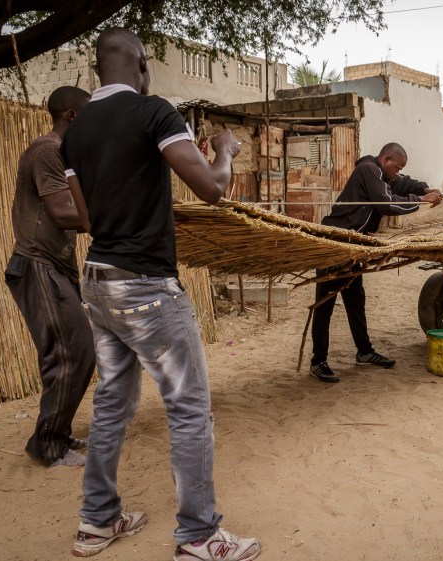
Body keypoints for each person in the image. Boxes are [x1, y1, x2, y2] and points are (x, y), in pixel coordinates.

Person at [61, 28, 260, 561]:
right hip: (147, 287)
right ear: (142, 65)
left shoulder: (74, 136)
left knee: (111, 407)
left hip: (98, 281)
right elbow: (213, 189)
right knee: (190, 408)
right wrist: (224, 150)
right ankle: (198, 535)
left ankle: (96, 523)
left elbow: (85, 218)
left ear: (97, 69)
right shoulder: (155, 112)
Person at [5, 85, 94, 468]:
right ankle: (47, 444)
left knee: (80, 352)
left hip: (53, 266)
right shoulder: (47, 151)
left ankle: (57, 433)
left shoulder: (65, 154)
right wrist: (114, 217)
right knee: (69, 354)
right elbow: (61, 212)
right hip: (36, 264)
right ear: (73, 116)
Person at [309, 143, 442, 383]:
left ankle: (364, 352)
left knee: (356, 301)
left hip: (354, 247)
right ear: (386, 158)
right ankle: (318, 362)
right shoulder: (369, 170)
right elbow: (386, 203)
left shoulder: (382, 174)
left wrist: (425, 187)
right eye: (397, 167)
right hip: (335, 244)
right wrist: (421, 199)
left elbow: (402, 183)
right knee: (325, 305)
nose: (398, 173)